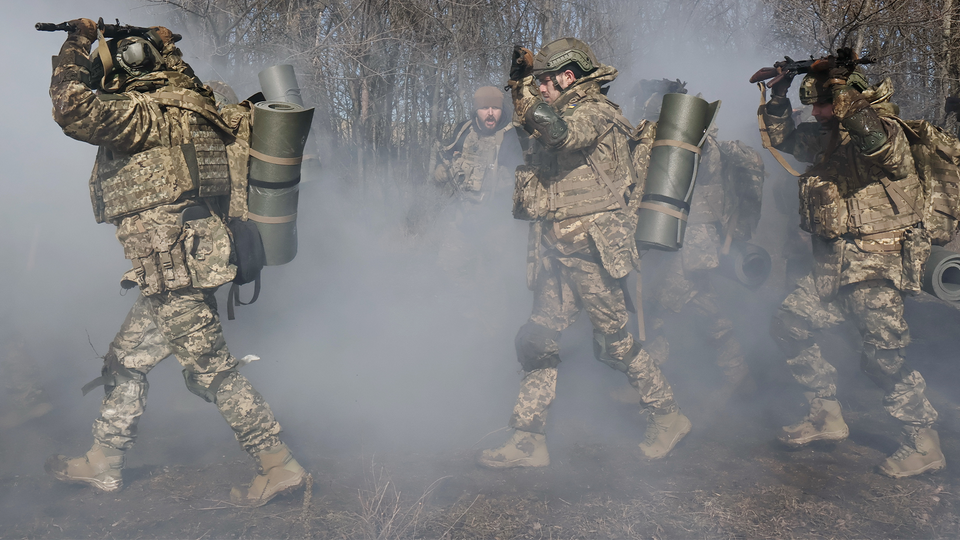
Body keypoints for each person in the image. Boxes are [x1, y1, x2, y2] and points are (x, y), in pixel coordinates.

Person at [43, 19, 307, 505]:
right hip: (193, 256)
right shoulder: (199, 107)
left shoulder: (143, 115)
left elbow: (71, 108)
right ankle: (104, 459)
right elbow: (183, 81)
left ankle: (278, 463)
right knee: (124, 360)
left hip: (173, 265)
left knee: (211, 370)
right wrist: (164, 47)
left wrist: (76, 43)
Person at [477, 38, 690, 468]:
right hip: (557, 248)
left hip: (592, 248)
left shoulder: (597, 113)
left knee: (614, 344)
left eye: (545, 83)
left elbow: (559, 134)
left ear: (568, 78)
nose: (540, 90)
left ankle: (668, 415)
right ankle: (527, 441)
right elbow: (535, 132)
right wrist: (522, 91)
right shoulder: (562, 108)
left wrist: (521, 91)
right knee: (538, 339)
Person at [760, 54, 943, 477]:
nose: (819, 113)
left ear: (848, 98)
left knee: (883, 358)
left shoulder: (884, 130)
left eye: (825, 103)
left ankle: (924, 441)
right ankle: (825, 415)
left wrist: (843, 89)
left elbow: (884, 152)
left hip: (876, 260)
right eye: (817, 104)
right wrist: (779, 96)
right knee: (789, 323)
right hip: (834, 261)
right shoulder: (827, 136)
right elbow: (785, 139)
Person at [634, 79, 764, 394]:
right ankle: (736, 376)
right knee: (683, 306)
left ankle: (652, 382)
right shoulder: (675, 141)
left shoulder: (702, 145)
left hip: (690, 243)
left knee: (673, 306)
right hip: (671, 239)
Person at [434, 86, 523, 204]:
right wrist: (440, 169)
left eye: (495, 108)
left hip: (496, 212)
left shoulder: (512, 136)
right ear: (476, 110)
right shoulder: (463, 130)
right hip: (461, 208)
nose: (490, 113)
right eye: (485, 108)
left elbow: (522, 179)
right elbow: (448, 157)